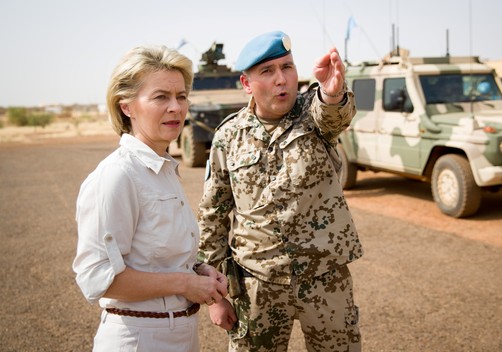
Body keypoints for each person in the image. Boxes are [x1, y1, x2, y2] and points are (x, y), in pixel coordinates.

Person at [197, 30, 364, 351]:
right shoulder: (228, 136)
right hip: (257, 283)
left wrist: (332, 92)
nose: (281, 79)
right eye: (267, 71)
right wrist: (215, 297)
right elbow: (212, 217)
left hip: (324, 278)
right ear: (247, 84)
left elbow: (335, 115)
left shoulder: (313, 115)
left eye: (287, 67)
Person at [72, 45, 228, 352]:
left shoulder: (163, 169)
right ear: (127, 106)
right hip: (139, 338)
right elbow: (95, 278)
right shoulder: (117, 175)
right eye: (161, 97)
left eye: (181, 96)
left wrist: (196, 271)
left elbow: (154, 257)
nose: (176, 107)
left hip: (180, 333)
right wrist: (185, 284)